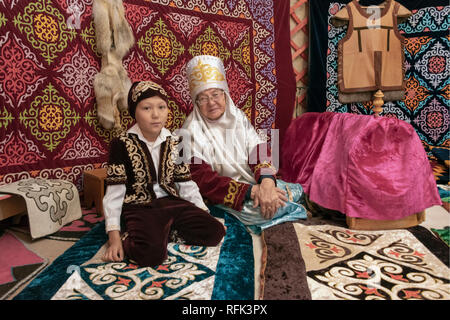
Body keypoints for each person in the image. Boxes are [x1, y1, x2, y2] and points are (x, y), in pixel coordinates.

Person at [102, 80, 226, 267]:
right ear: (134, 112)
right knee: (150, 255)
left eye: (161, 107)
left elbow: (186, 183)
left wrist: (203, 213)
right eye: (146, 108)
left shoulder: (176, 141)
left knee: (215, 231)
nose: (155, 115)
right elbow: (114, 193)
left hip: (172, 203)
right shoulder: (121, 144)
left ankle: (163, 232)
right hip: (139, 206)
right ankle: (137, 234)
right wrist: (114, 238)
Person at [179, 55, 307, 234]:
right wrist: (251, 192)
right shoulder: (189, 132)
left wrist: (267, 183)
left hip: (253, 182)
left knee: (294, 191)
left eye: (215, 94)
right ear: (196, 102)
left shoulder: (237, 116)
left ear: (225, 94)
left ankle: (274, 199)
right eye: (203, 98)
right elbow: (203, 180)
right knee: (265, 209)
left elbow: (257, 148)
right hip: (223, 195)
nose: (211, 102)